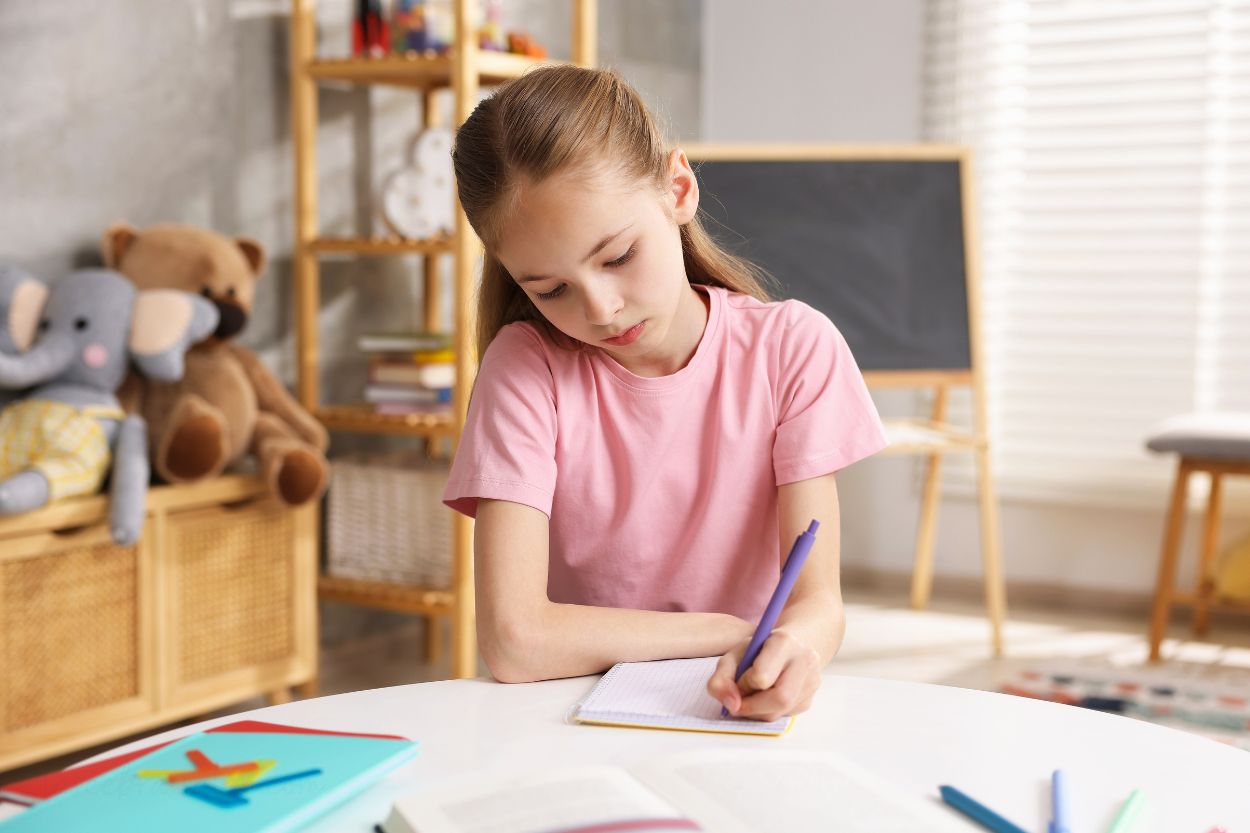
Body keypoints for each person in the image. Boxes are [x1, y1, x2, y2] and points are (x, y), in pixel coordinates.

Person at [443, 65, 887, 722]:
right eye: (550, 289)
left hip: (737, 708)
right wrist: (733, 633)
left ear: (678, 189)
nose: (600, 309)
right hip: (571, 717)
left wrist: (792, 646)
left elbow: (818, 601)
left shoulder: (794, 349)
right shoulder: (525, 367)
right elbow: (514, 640)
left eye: (617, 256)